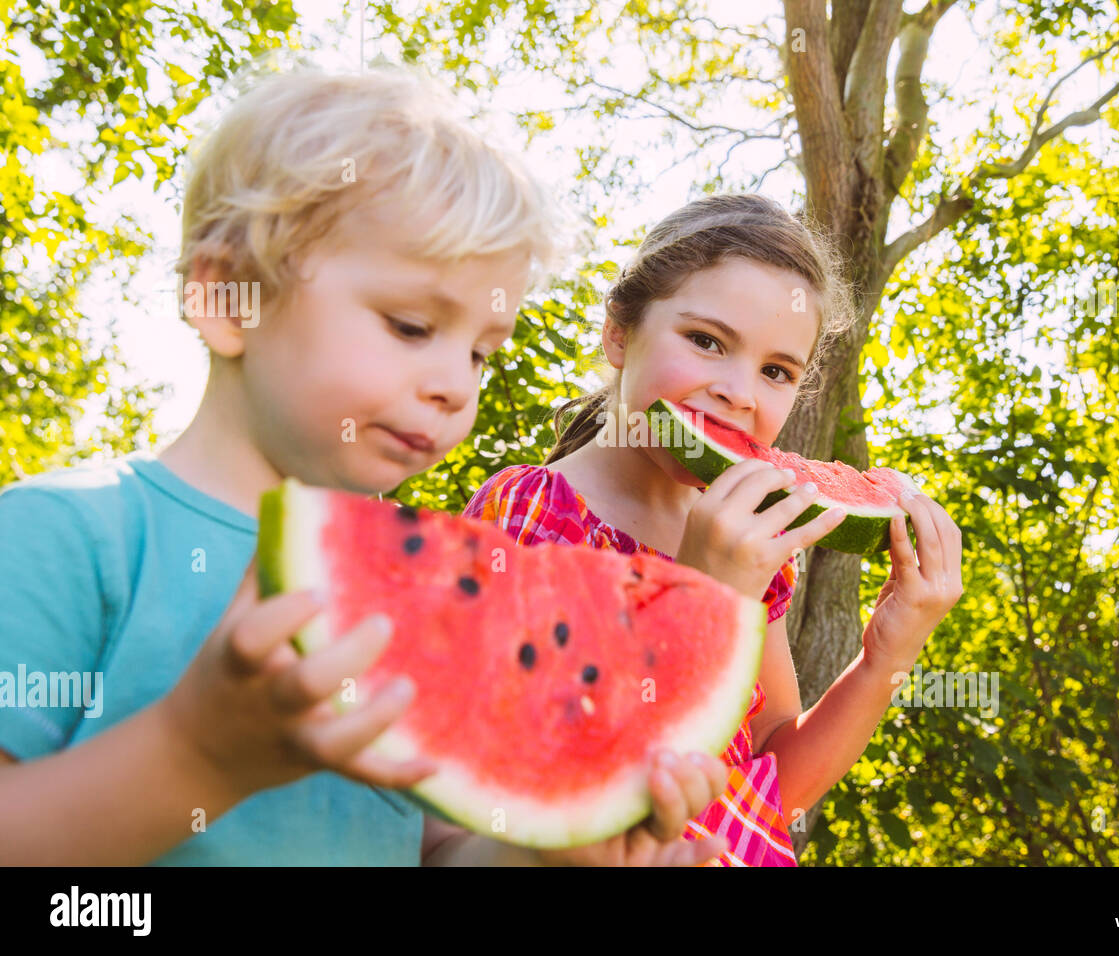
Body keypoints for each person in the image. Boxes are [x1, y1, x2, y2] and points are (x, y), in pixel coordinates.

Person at [0, 64, 728, 867]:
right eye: (412, 326)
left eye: (482, 354)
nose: (455, 385)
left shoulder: (432, 593)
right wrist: (193, 757)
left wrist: (552, 852)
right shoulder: (63, 538)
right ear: (229, 296)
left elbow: (443, 851)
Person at [464, 194, 964, 865]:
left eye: (776, 371)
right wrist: (701, 596)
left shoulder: (756, 545)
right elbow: (518, 783)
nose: (739, 391)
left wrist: (883, 660)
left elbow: (773, 781)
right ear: (619, 333)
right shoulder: (528, 515)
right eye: (706, 341)